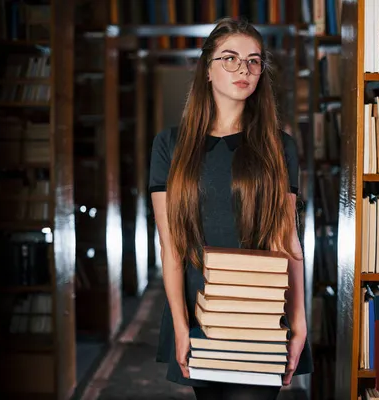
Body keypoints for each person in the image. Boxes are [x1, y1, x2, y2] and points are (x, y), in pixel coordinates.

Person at [149, 18, 313, 400]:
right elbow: (171, 246)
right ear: (207, 69)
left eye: (254, 61)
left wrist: (299, 322)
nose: (244, 69)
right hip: (200, 306)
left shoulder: (279, 146)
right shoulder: (170, 146)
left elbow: (287, 239)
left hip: (260, 310)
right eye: (230, 58)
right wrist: (180, 324)